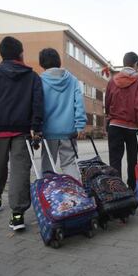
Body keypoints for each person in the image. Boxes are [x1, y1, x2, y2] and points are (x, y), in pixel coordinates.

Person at [0, 36, 43, 231]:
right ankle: (18, 215)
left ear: (2, 54)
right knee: (20, 170)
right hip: (22, 131)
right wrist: (36, 128)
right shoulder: (32, 77)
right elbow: (38, 105)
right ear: (21, 54)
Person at [38, 48, 87, 180]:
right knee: (69, 164)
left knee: (47, 166)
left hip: (48, 132)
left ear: (41, 63)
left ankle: (49, 196)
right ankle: (76, 194)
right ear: (58, 61)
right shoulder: (72, 80)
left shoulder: (40, 80)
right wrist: (80, 125)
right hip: (69, 132)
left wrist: (37, 127)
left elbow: (37, 106)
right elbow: (79, 104)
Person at [105, 52, 138, 190]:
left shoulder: (112, 80)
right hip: (132, 127)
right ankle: (132, 188)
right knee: (132, 160)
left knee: (115, 160)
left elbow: (108, 101)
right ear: (135, 64)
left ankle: (116, 190)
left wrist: (109, 116)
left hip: (115, 125)